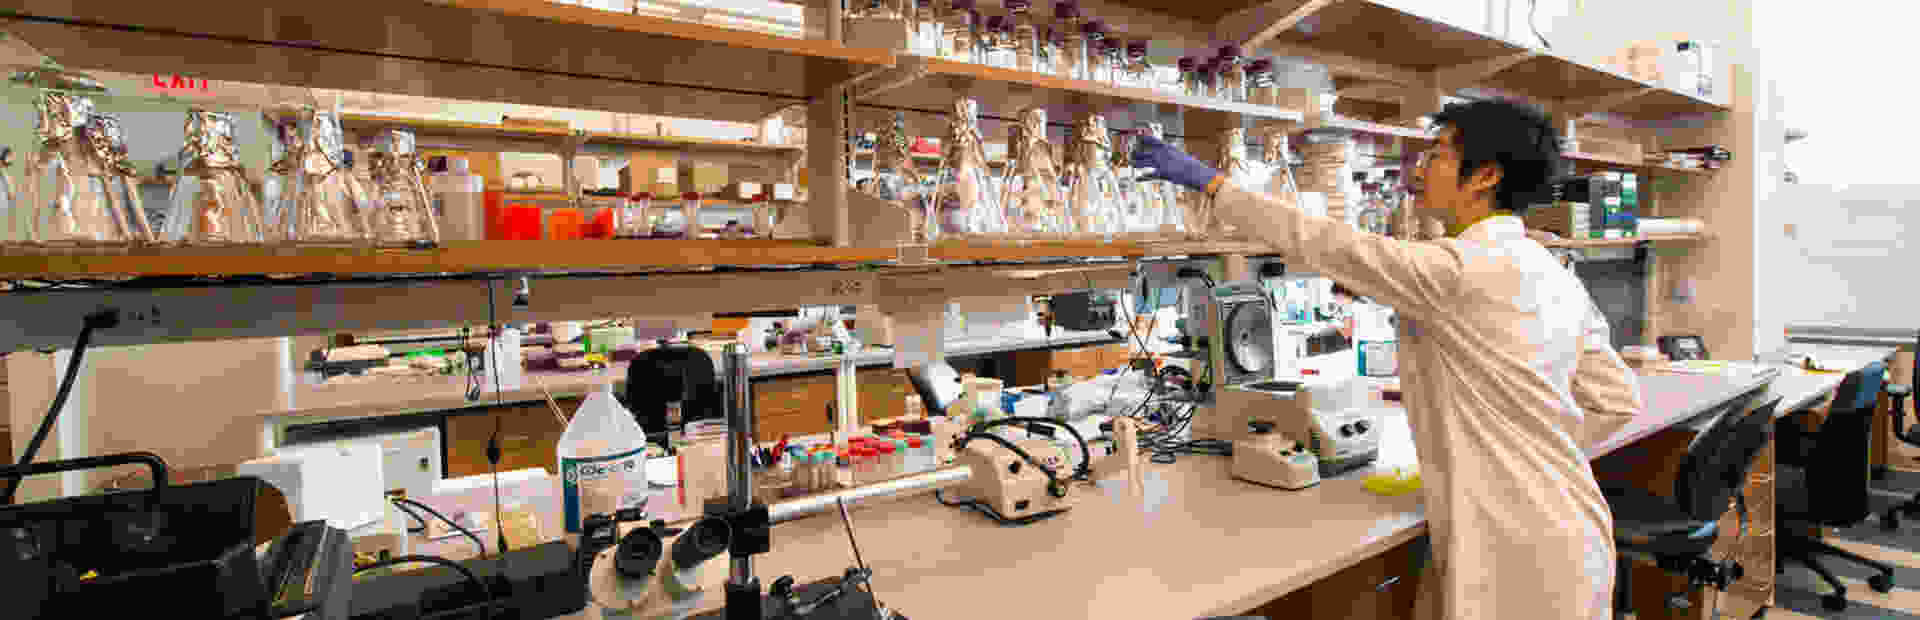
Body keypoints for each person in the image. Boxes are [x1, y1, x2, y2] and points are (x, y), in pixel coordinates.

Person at [1133, 99, 1645, 620]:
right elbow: (1617, 399)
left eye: (1438, 154)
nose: (1419, 168)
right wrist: (1522, 449)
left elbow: (1325, 242)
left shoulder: (1457, 269)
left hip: (1514, 550)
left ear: (1485, 175)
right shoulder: (1550, 270)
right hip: (1573, 528)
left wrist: (1213, 185)